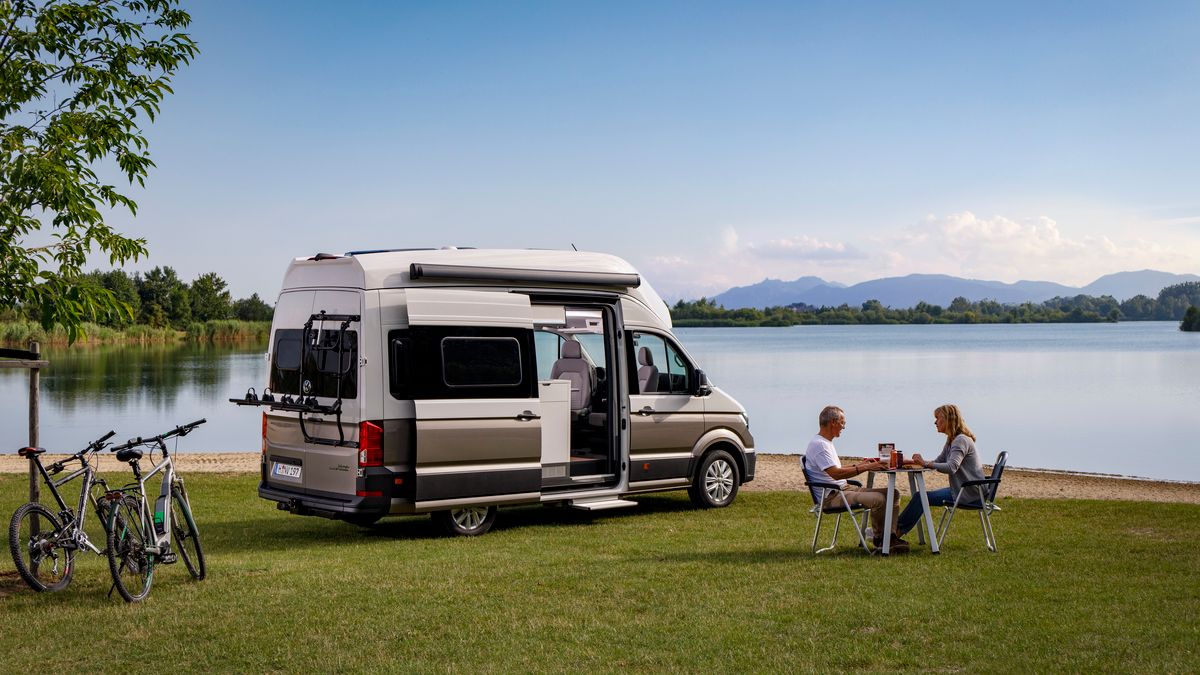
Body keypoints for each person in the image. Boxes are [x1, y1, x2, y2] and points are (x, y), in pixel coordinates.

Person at [803, 405, 907, 552]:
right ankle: (881, 539)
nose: (843, 427)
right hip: (832, 496)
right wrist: (866, 467)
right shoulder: (819, 445)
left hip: (844, 489)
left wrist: (860, 465)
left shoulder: (825, 443)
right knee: (878, 499)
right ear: (833, 422)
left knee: (893, 493)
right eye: (842, 423)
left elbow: (836, 469)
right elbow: (836, 474)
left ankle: (889, 537)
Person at [897, 403, 986, 540]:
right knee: (920, 496)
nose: (935, 422)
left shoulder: (960, 440)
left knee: (921, 497)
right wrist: (910, 462)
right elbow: (938, 461)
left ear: (948, 420)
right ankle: (892, 532)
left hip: (968, 493)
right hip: (964, 489)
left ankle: (893, 533)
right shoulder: (952, 440)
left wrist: (925, 463)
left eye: (937, 418)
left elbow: (951, 467)